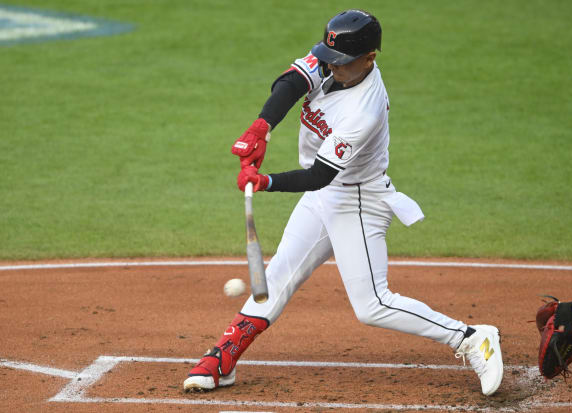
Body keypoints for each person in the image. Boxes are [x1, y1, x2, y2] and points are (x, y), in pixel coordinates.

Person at [184, 9, 504, 396]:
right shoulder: (337, 57)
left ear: (370, 58)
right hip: (324, 197)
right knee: (279, 274)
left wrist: (264, 181)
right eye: (329, 57)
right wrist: (261, 127)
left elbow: (320, 176)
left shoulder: (363, 111)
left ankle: (472, 338)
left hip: (357, 199)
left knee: (372, 305)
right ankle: (225, 357)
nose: (331, 67)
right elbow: (291, 82)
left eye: (343, 62)